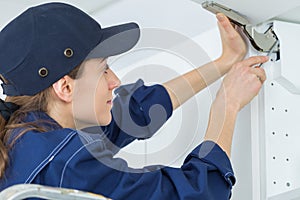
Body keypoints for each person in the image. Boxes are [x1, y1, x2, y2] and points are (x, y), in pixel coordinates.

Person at [0, 2, 267, 200]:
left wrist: (224, 63)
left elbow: (130, 116)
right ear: (66, 88)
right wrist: (226, 106)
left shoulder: (23, 135)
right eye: (104, 68)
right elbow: (196, 194)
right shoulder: (67, 166)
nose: (115, 81)